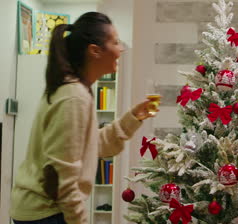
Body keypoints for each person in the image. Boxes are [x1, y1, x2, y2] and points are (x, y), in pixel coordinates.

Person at [10, 12, 157, 224]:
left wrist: (132, 118)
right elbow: (63, 177)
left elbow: (92, 145)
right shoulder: (74, 97)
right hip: (46, 214)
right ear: (95, 51)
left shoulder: (76, 91)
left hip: (44, 211)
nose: (120, 49)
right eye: (115, 42)